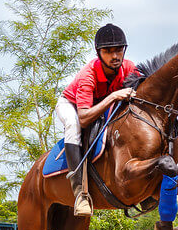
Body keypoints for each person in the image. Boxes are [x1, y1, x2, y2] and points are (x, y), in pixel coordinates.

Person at [55, 23, 137, 216]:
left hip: (100, 104)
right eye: (108, 51)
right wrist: (113, 97)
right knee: (73, 126)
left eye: (118, 50)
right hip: (72, 105)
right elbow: (83, 119)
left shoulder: (129, 67)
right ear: (99, 53)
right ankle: (80, 194)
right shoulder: (88, 75)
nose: (115, 56)